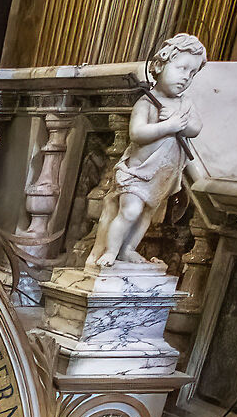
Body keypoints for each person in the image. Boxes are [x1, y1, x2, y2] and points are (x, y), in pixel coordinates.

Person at [84, 33, 208, 270]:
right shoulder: (147, 103)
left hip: (162, 175)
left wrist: (180, 123)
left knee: (146, 216)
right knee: (129, 211)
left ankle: (128, 249)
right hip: (139, 171)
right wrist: (167, 126)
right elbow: (137, 134)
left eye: (192, 73)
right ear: (160, 66)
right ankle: (110, 251)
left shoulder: (184, 104)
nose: (186, 77)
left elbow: (196, 128)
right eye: (182, 68)